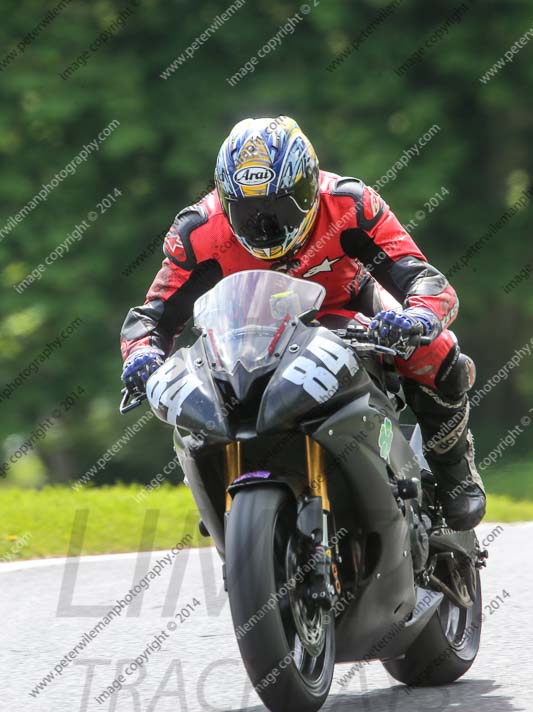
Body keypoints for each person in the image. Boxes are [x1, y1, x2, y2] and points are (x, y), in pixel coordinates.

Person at [120, 115, 485, 530]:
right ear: (223, 199)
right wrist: (141, 356)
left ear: (309, 185)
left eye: (280, 205)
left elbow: (423, 278)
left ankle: (454, 471)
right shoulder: (199, 231)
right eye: (247, 210)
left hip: (347, 312)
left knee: (436, 349)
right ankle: (219, 488)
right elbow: (152, 316)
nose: (265, 224)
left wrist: (416, 316)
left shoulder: (350, 203)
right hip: (247, 336)